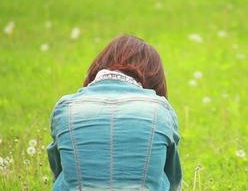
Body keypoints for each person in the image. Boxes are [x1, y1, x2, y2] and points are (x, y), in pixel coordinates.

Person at [47, 35, 182, 191]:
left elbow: (58, 172)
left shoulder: (65, 108)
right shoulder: (161, 111)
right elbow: (173, 180)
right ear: (154, 77)